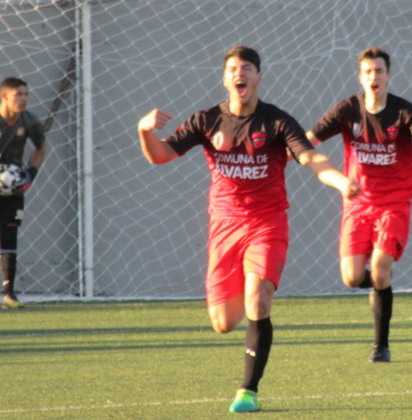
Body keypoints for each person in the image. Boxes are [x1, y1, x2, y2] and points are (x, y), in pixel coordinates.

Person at [137, 46, 360, 413]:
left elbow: (311, 158)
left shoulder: (276, 121)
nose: (239, 74)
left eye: (247, 68)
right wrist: (143, 130)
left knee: (259, 298)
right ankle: (246, 290)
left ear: (258, 77)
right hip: (224, 227)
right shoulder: (206, 120)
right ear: (224, 79)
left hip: (267, 223)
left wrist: (340, 182)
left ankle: (248, 391)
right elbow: (160, 155)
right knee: (224, 323)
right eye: (232, 69)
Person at [306, 47, 412, 363]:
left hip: (394, 203)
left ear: (388, 75)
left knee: (382, 266)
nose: (374, 76)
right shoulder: (346, 110)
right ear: (360, 77)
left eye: (379, 71)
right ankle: (384, 290)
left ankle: (380, 346)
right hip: (357, 204)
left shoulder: (403, 112)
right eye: (368, 71)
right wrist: (283, 149)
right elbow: (306, 142)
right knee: (352, 278)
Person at [0, 77, 46, 309]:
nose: (24, 98)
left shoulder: (30, 121)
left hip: (13, 188)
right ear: (4, 97)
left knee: (9, 235)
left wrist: (30, 174)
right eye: (18, 94)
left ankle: (9, 294)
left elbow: (41, 147)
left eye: (26, 94)